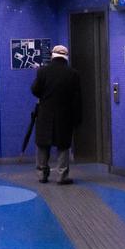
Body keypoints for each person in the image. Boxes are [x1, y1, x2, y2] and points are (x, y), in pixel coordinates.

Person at [31, 43, 84, 185]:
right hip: (65, 114)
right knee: (63, 145)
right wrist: (77, 119)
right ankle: (62, 175)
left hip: (45, 113)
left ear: (52, 55)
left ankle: (42, 174)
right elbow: (77, 99)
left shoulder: (43, 71)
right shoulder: (73, 74)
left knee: (43, 144)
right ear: (66, 57)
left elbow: (35, 90)